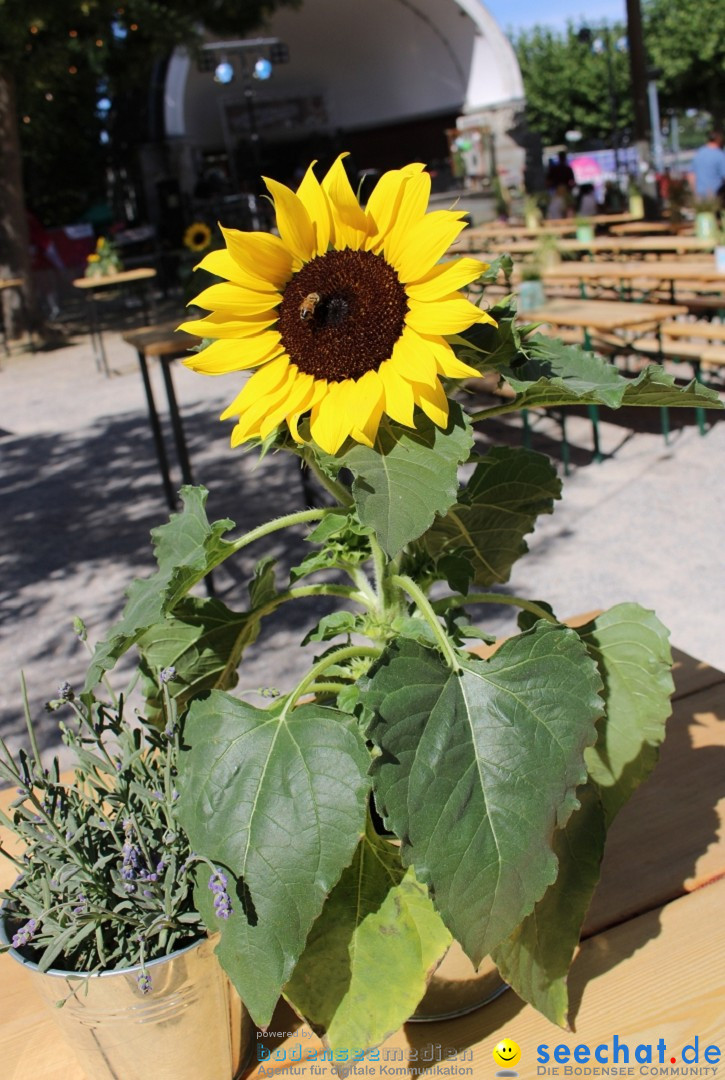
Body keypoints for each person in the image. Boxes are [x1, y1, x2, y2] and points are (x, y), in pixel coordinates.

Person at [689, 131, 725, 202]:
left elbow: (691, 175)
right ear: (719, 140)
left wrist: (695, 193)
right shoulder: (720, 155)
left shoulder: (699, 154)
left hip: (700, 195)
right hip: (716, 194)